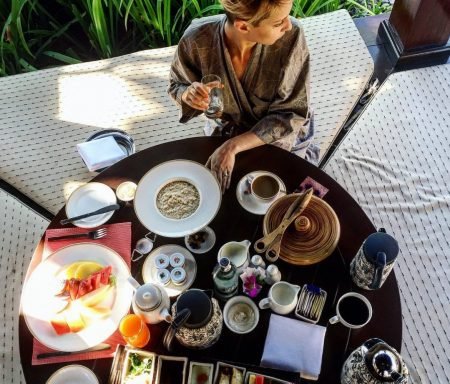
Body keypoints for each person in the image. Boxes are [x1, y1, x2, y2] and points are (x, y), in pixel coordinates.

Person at [168, 0, 318, 191]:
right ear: (243, 26)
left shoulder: (292, 36)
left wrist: (233, 146)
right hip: (225, 129)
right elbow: (176, 85)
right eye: (278, 22)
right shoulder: (197, 40)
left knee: (281, 191)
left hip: (279, 133)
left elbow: (292, 112)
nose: (288, 25)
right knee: (213, 189)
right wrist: (187, 95)